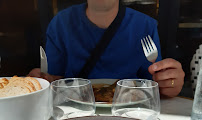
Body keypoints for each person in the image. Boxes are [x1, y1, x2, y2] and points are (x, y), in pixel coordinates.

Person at [28, 0, 185, 97]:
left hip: (130, 113)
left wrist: (168, 84)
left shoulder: (145, 25)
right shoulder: (60, 24)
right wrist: (41, 82)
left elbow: (153, 85)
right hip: (76, 112)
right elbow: (55, 82)